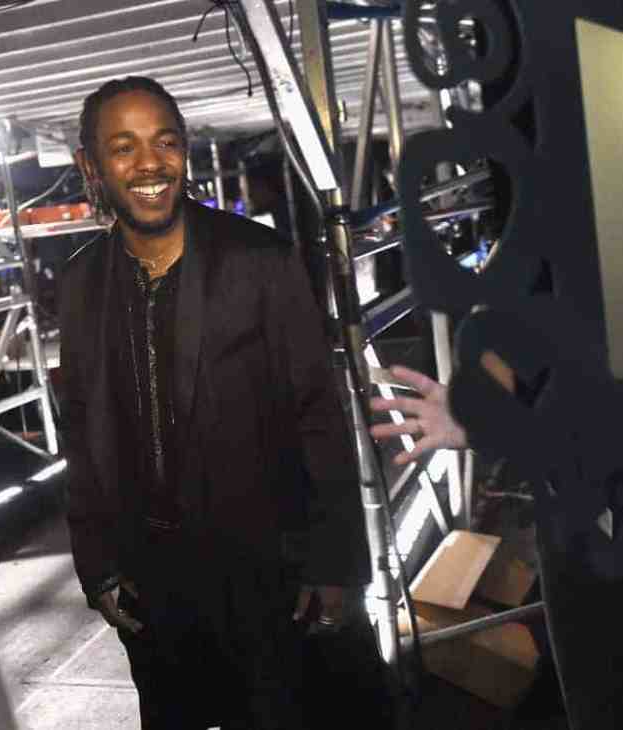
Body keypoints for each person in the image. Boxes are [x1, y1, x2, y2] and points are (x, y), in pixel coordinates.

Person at [57, 76, 374, 729]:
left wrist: (335, 561)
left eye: (164, 142)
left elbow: (318, 411)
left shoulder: (258, 261)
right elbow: (82, 433)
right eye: (123, 147)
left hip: (264, 576)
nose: (149, 163)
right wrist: (99, 567)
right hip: (151, 585)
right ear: (90, 165)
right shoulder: (82, 282)